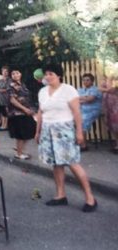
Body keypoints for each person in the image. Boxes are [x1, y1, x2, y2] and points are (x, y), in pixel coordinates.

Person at [36, 64, 97, 212]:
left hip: (65, 130)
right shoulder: (43, 91)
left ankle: (90, 198)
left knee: (72, 162)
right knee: (56, 164)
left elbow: (76, 113)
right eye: (46, 74)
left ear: (59, 75)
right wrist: (37, 131)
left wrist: (79, 132)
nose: (48, 76)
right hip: (47, 130)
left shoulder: (69, 90)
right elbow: (40, 112)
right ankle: (60, 195)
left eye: (51, 74)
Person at [7, 68, 36, 160]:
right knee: (21, 134)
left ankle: (20, 150)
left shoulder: (23, 84)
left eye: (17, 73)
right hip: (17, 113)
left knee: (29, 132)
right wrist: (24, 109)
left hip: (26, 112)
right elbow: (12, 100)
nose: (15, 75)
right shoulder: (11, 85)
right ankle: (19, 154)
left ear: (20, 74)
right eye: (13, 73)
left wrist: (30, 109)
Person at [78, 73, 102, 151]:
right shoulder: (80, 89)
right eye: (84, 80)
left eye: (88, 80)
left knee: (82, 121)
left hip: (92, 110)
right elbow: (75, 99)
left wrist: (82, 98)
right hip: (82, 110)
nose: (85, 82)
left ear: (92, 81)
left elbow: (90, 99)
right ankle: (79, 142)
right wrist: (85, 98)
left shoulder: (95, 89)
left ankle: (83, 146)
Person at [99, 76, 118, 153]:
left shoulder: (113, 80)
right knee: (112, 126)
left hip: (116, 106)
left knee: (116, 124)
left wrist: (106, 89)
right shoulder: (105, 78)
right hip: (108, 105)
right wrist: (107, 89)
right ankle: (117, 144)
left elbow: (111, 89)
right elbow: (99, 88)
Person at [0, 66, 11, 130]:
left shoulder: (9, 80)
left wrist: (0, 90)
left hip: (6, 98)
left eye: (6, 71)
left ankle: (5, 126)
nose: (5, 73)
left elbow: (8, 89)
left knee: (6, 112)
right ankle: (2, 125)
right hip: (0, 98)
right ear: (2, 72)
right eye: (4, 71)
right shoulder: (0, 80)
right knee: (2, 112)